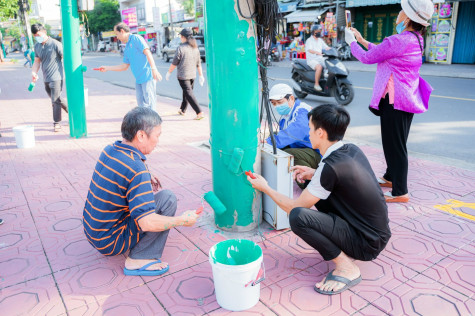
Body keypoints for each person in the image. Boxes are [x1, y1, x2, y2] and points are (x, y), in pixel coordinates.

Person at [248, 104, 391, 295]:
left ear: (321, 132)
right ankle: (347, 250)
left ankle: (347, 268)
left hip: (366, 244)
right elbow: (346, 181)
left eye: (310, 128)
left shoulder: (331, 166)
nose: (308, 133)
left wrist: (265, 187)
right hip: (375, 233)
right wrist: (314, 174)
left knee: (298, 217)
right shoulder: (350, 149)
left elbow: (294, 207)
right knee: (312, 187)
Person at [83, 107, 200, 276]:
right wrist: (182, 220)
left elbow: (123, 172)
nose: (158, 141)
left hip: (93, 230)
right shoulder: (137, 169)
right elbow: (147, 223)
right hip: (109, 241)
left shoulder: (110, 149)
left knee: (155, 200)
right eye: (157, 135)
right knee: (168, 200)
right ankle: (139, 258)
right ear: (141, 135)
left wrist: (146, 173)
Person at [345, 0, 434, 203]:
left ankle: (400, 192)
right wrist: (362, 40)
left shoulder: (399, 40)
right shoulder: (416, 39)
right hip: (406, 99)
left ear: (409, 18)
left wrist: (351, 43)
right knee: (395, 142)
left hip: (394, 100)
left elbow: (369, 58)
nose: (399, 14)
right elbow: (384, 51)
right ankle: (390, 177)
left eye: (402, 11)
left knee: (395, 146)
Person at [266, 83, 321, 188]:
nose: (277, 106)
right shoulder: (286, 116)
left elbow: (294, 133)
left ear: (291, 98)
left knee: (289, 154)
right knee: (274, 139)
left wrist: (268, 142)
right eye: (274, 103)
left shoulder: (302, 111)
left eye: (279, 102)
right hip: (305, 149)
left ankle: (308, 185)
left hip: (317, 153)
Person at [98, 23, 162, 111]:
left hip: (147, 77)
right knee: (141, 107)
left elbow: (147, 52)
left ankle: (153, 124)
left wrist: (154, 69)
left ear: (122, 31)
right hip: (138, 80)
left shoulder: (136, 38)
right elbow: (124, 66)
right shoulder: (127, 47)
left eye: (116, 34)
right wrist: (107, 68)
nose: (117, 37)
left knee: (150, 106)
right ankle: (145, 124)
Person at [31, 24, 69, 132]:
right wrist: (34, 73)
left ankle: (57, 123)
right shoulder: (37, 46)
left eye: (38, 34)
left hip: (57, 77)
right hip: (46, 78)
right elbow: (37, 61)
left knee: (55, 100)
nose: (37, 37)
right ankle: (72, 112)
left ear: (44, 31)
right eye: (35, 35)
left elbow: (65, 57)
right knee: (56, 99)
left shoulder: (55, 44)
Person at [165, 28, 205, 120]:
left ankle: (199, 112)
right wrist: (201, 75)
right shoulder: (195, 48)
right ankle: (183, 110)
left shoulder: (181, 48)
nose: (180, 38)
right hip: (192, 76)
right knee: (187, 92)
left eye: (181, 37)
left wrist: (169, 72)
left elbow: (175, 62)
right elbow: (198, 63)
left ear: (183, 37)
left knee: (188, 93)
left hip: (183, 76)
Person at [305, 25, 330, 92]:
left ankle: (326, 78)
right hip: (312, 59)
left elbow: (326, 47)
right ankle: (316, 84)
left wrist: (332, 50)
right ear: (313, 32)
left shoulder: (320, 40)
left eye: (320, 31)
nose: (319, 33)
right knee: (319, 67)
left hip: (320, 58)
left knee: (329, 64)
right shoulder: (309, 40)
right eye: (317, 31)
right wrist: (317, 52)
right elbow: (309, 50)